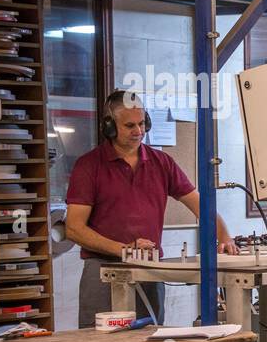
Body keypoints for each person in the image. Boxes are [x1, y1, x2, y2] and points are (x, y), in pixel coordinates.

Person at [65, 89, 238, 328]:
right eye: (129, 126)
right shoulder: (89, 166)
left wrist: (225, 236)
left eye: (141, 123)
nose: (138, 132)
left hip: (150, 268)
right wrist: (124, 250)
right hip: (102, 271)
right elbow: (73, 229)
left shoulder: (162, 163)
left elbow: (200, 205)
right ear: (110, 126)